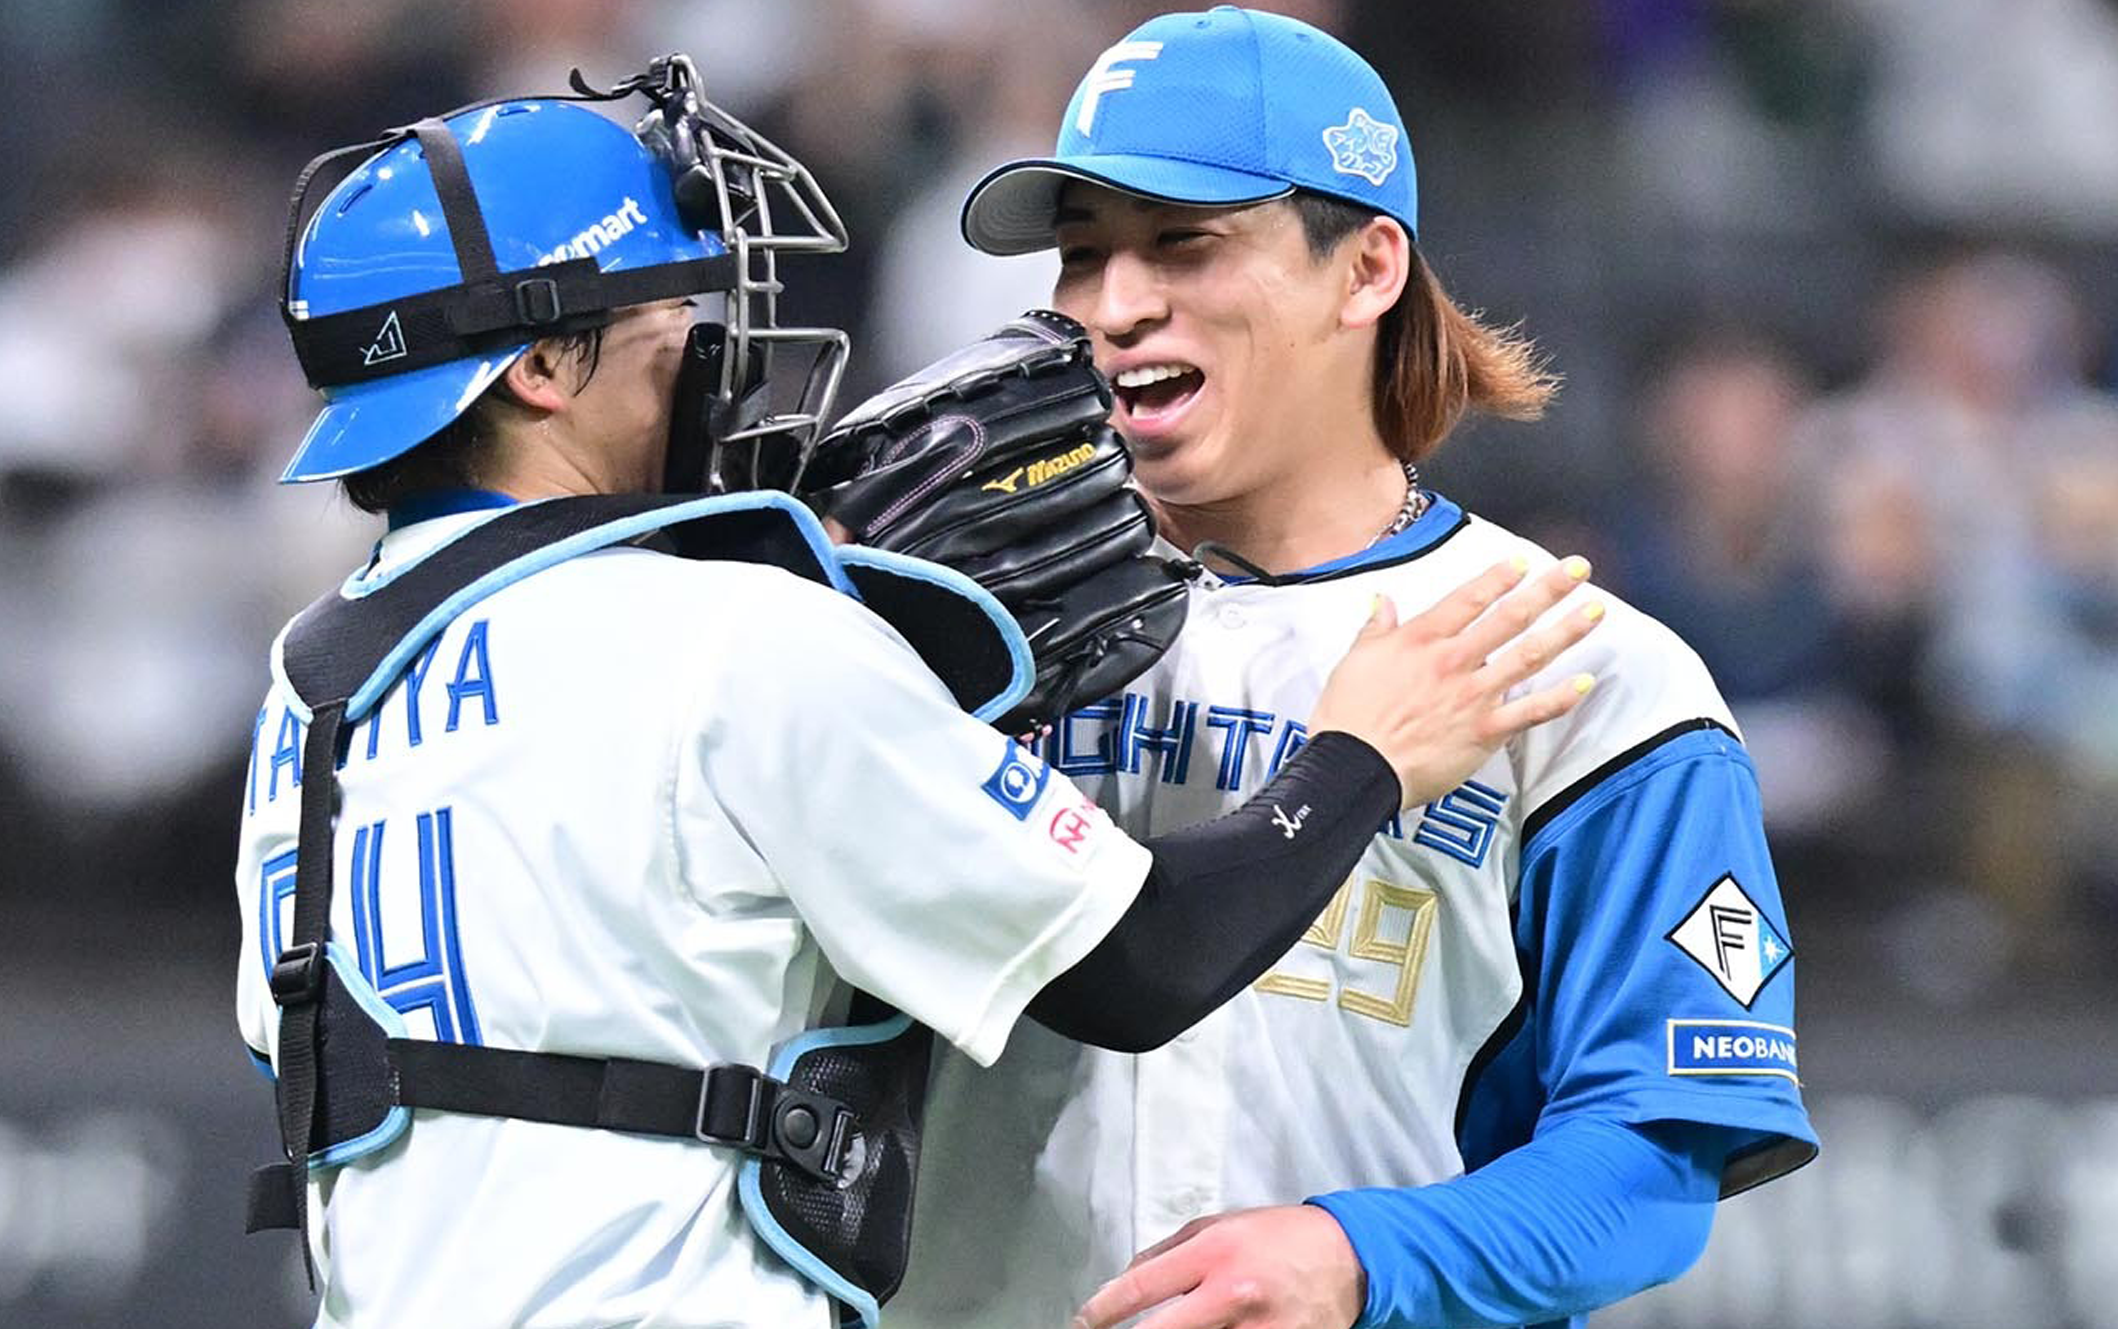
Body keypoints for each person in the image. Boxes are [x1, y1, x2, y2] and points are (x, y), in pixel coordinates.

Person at [230, 61, 1600, 1329]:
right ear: (537, 368)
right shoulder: (739, 636)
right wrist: (1358, 758)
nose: (710, 355)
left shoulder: (311, 693)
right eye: (670, 318)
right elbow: (1139, 965)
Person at [889, 9, 1821, 1329]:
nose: (1113, 306)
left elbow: (1656, 1162)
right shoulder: (945, 636)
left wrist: (1364, 1255)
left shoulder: (1583, 672)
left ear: (1367, 268)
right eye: (1083, 255)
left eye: (1184, 244)